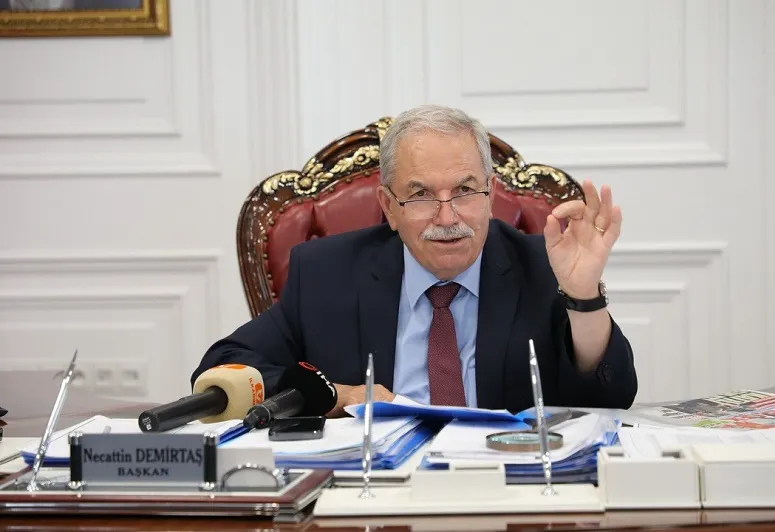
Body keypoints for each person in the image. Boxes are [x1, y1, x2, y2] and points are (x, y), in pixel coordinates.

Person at [191, 105, 638, 416]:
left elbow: (611, 398)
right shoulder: (328, 274)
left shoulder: (544, 266)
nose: (447, 217)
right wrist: (333, 396)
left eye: (464, 191)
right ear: (389, 207)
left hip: (504, 485)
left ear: (490, 195)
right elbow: (222, 366)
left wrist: (584, 297)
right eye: (421, 195)